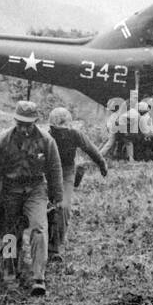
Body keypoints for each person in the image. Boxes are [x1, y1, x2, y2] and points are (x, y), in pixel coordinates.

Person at [0, 100, 63, 296]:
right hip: (10, 191)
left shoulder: (46, 141)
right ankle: (10, 271)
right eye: (21, 123)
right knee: (10, 234)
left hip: (36, 189)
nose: (24, 128)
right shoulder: (3, 141)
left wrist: (57, 197)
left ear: (35, 122)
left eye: (28, 124)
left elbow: (54, 169)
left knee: (38, 228)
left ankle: (39, 277)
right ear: (15, 121)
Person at [47, 107, 108, 263]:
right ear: (51, 127)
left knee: (64, 207)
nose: (61, 133)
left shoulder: (75, 134)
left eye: (64, 130)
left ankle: (54, 248)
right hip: (47, 173)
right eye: (57, 130)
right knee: (47, 208)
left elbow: (90, 148)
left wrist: (101, 163)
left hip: (67, 171)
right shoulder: (45, 137)